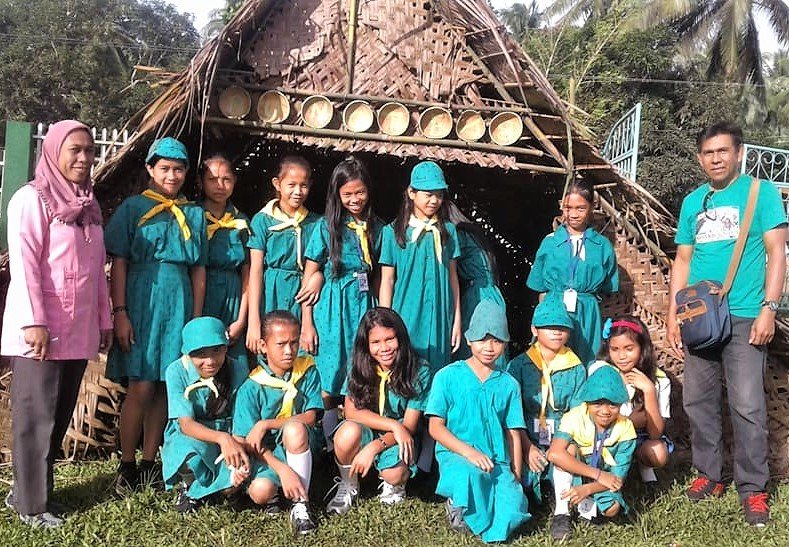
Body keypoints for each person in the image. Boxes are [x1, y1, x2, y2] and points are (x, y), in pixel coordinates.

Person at [666, 121, 787, 526]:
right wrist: (672, 313)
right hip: (699, 316)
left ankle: (753, 488)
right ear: (700, 158)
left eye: (722, 151)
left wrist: (770, 307)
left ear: (738, 153)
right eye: (707, 153)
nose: (715, 159)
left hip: (745, 314)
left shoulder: (759, 193)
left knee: (748, 405)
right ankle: (710, 475)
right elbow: (682, 260)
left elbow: (777, 252)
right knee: (697, 401)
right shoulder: (692, 202)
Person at [1, 120, 112, 528]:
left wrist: (102, 319)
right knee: (34, 417)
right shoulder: (31, 199)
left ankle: (30, 491)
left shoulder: (88, 205)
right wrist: (33, 323)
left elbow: (96, 271)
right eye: (75, 150)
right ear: (52, 152)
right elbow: (26, 266)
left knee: (58, 415)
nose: (84, 158)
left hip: (77, 329)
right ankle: (31, 506)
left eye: (89, 151)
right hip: (41, 330)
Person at [105, 137, 208, 493]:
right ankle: (127, 464)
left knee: (166, 385)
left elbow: (198, 269)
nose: (172, 175)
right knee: (141, 385)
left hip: (178, 299)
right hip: (142, 298)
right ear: (150, 170)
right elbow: (119, 261)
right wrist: (120, 311)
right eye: (164, 168)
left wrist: (194, 320)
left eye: (178, 169)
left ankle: (151, 461)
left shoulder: (193, 214)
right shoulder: (133, 209)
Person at [426, 299, 530, 543]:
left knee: (512, 507)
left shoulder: (508, 384)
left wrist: (514, 471)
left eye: (497, 340)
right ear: (468, 339)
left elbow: (513, 430)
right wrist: (469, 453)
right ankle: (456, 503)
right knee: (471, 476)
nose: (489, 347)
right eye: (482, 339)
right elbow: (435, 427)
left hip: (497, 459)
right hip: (458, 455)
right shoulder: (447, 376)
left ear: (505, 343)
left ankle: (486, 502)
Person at [298, 156, 383, 447]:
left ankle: (349, 440)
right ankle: (324, 442)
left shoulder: (377, 228)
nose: (354, 199)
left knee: (356, 368)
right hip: (332, 306)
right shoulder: (326, 227)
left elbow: (379, 276)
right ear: (336, 194)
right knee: (329, 367)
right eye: (347, 194)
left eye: (359, 192)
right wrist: (307, 323)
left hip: (363, 304)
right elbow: (309, 278)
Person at [325, 308, 432, 514]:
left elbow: (408, 426)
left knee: (394, 474)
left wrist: (376, 446)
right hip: (372, 429)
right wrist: (393, 425)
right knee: (347, 433)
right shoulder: (359, 366)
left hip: (399, 437)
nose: (384, 348)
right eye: (375, 342)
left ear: (400, 337)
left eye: (390, 339)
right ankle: (349, 482)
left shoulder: (420, 370)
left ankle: (393, 483)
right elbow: (351, 412)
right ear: (366, 345)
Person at [233, 311, 322, 535]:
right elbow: (248, 441)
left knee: (294, 429)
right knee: (260, 492)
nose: (289, 351)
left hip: (302, 443)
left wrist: (266, 424)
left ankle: (300, 503)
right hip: (268, 453)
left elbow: (311, 417)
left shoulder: (307, 371)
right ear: (263, 345)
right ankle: (276, 492)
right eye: (281, 344)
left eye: (294, 343)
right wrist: (282, 470)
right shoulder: (252, 386)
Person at [379, 160, 461, 372]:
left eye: (439, 194)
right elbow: (387, 280)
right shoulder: (393, 232)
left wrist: (457, 319)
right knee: (404, 370)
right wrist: (384, 322)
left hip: (440, 316)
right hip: (405, 314)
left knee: (437, 373)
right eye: (428, 194)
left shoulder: (449, 231)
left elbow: (453, 277)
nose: (434, 200)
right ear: (411, 193)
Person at [161, 317, 250, 512]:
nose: (210, 361)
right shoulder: (176, 371)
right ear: (188, 353)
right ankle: (190, 484)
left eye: (217, 351)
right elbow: (186, 424)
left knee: (239, 473)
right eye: (200, 354)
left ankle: (220, 490)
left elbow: (242, 416)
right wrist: (222, 439)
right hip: (194, 435)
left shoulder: (238, 368)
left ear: (226, 347)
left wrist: (233, 442)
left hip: (232, 431)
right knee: (184, 451)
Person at [527, 179, 619, 363]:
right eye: (568, 208)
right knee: (550, 361)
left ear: (592, 207)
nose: (574, 214)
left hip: (587, 312)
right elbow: (541, 289)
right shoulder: (550, 242)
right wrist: (541, 318)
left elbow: (609, 288)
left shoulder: (602, 246)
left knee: (586, 360)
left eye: (580, 208)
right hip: (554, 309)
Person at [506, 297, 585, 504]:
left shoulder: (576, 368)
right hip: (526, 435)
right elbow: (513, 413)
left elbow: (576, 413)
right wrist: (527, 447)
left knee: (567, 454)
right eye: (549, 327)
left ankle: (562, 502)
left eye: (562, 327)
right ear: (534, 330)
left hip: (562, 435)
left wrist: (558, 444)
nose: (557, 332)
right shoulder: (518, 366)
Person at [547, 365, 636, 541]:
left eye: (612, 404)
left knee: (613, 509)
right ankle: (562, 512)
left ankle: (586, 507)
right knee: (568, 450)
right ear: (587, 402)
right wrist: (597, 474)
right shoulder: (574, 416)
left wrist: (587, 488)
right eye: (597, 403)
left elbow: (617, 478)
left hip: (604, 480)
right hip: (582, 471)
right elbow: (554, 454)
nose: (605, 411)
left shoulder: (626, 428)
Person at [246, 156, 321, 353]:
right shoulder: (262, 221)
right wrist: (253, 321)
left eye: (304, 185)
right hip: (271, 292)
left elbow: (321, 264)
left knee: (300, 349)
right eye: (292, 185)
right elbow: (255, 270)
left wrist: (318, 277)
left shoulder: (316, 224)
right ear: (277, 184)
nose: (298, 191)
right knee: (271, 349)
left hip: (302, 294)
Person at [594, 316, 671, 485]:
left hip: (640, 436)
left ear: (642, 348)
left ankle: (643, 465)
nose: (621, 356)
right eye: (615, 349)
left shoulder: (660, 380)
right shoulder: (600, 371)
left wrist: (649, 391)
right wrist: (629, 423)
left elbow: (656, 433)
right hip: (605, 435)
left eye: (629, 348)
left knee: (658, 451)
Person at [198, 153, 250, 369]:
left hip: (233, 295)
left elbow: (248, 271)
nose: (220, 185)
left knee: (233, 361)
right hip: (201, 290)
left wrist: (241, 319)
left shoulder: (241, 221)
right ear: (200, 182)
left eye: (226, 179)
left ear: (235, 182)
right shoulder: (192, 216)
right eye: (212, 179)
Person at [446, 202, 508, 367]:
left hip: (478, 295)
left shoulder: (460, 235)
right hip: (490, 293)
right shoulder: (473, 233)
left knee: (478, 344)